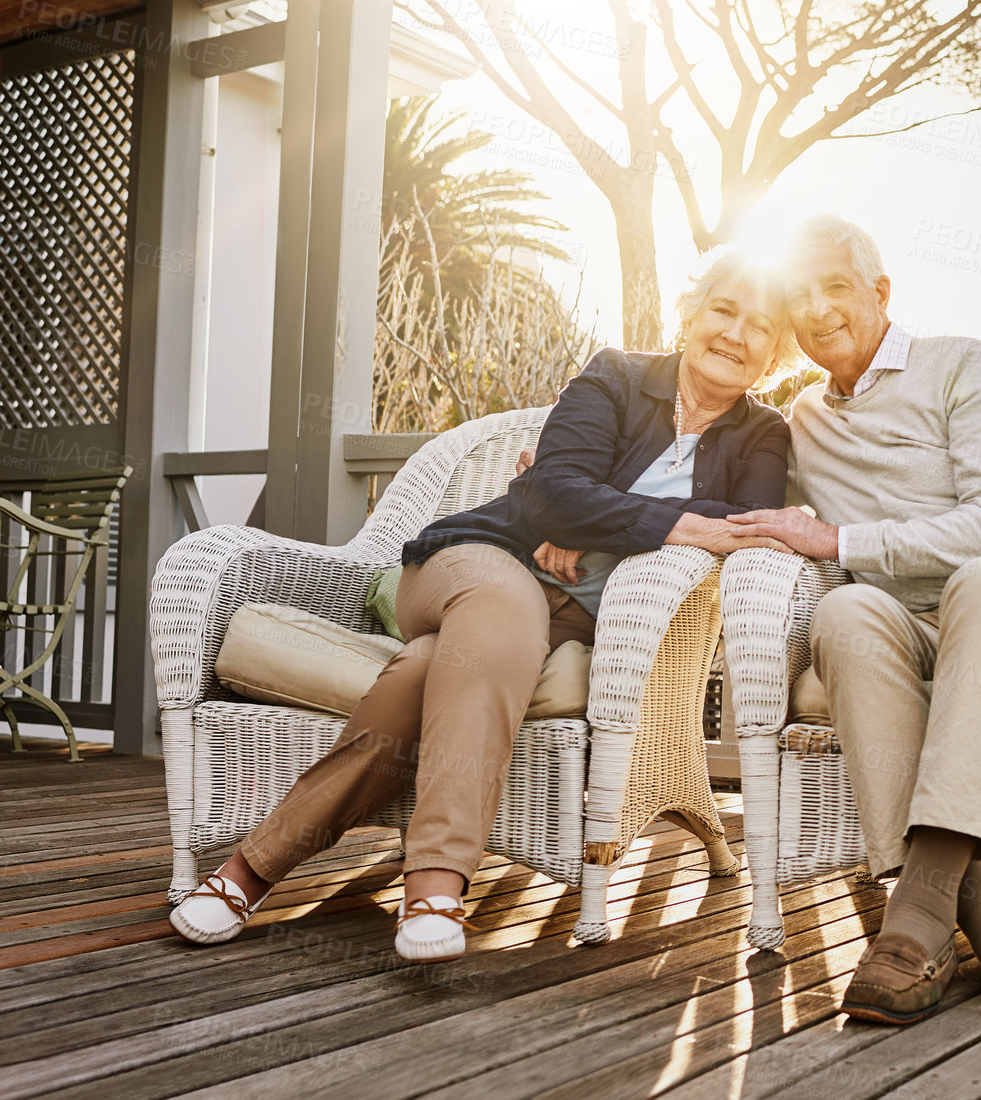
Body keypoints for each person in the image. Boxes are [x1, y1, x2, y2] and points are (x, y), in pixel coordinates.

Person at [170, 249, 798, 962]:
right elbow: (554, 489)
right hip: (475, 561)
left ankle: (247, 872)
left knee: (425, 672)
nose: (736, 333)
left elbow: (746, 524)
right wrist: (606, 512)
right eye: (724, 309)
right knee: (502, 607)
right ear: (691, 314)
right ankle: (436, 882)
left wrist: (591, 515)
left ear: (774, 352)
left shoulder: (763, 433)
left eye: (761, 325)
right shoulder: (616, 376)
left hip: (571, 618)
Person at [729, 215, 981, 1023]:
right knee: (846, 608)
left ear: (881, 292)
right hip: (914, 628)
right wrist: (561, 476)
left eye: (836, 285)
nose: (819, 308)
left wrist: (840, 537)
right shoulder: (802, 420)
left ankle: (916, 919)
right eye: (800, 294)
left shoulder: (961, 364)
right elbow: (713, 474)